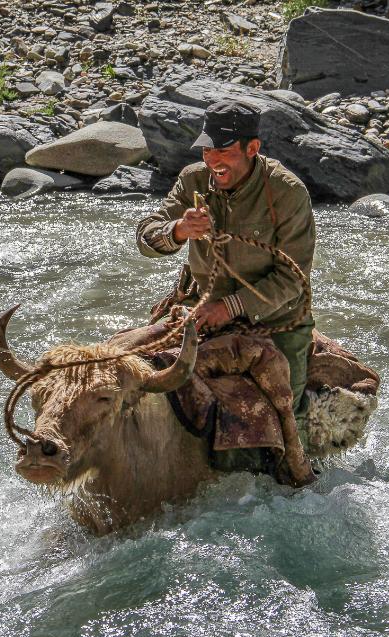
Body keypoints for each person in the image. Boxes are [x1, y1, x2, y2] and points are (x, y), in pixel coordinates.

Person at [136, 99, 317, 482]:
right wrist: (178, 231)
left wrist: (231, 306)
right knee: (139, 374)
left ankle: (295, 477)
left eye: (223, 150)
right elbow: (146, 237)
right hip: (199, 310)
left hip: (276, 318)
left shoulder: (287, 192)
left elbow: (293, 278)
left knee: (287, 410)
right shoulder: (193, 180)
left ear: (253, 149)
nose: (212, 159)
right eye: (206, 149)